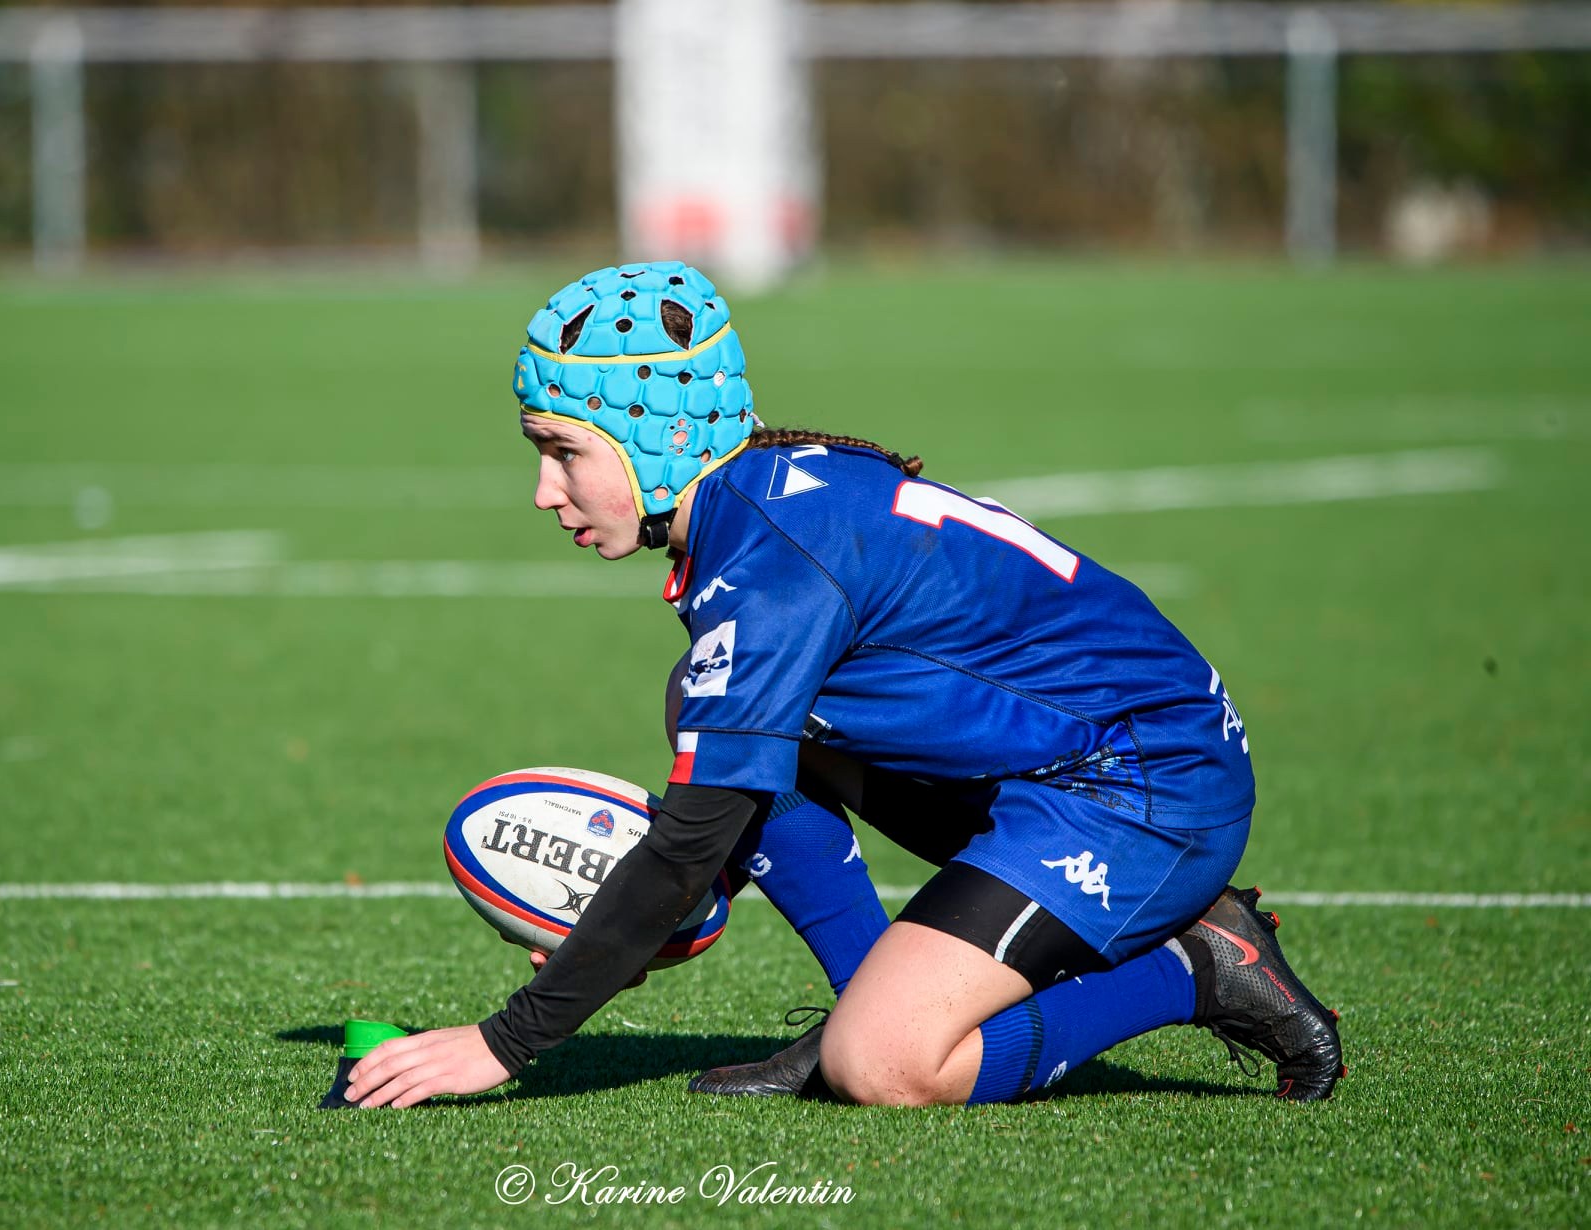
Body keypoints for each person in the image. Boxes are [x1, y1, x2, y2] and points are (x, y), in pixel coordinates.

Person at [341, 261, 1344, 1109]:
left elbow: (694, 837)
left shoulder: (772, 570)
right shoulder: (760, 496)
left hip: (1146, 786)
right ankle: (870, 998)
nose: (543, 490)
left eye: (564, 451)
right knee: (706, 702)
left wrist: (506, 1042)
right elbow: (718, 813)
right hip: (1064, 757)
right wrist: (652, 922)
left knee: (888, 1064)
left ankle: (1196, 966)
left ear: (657, 438)